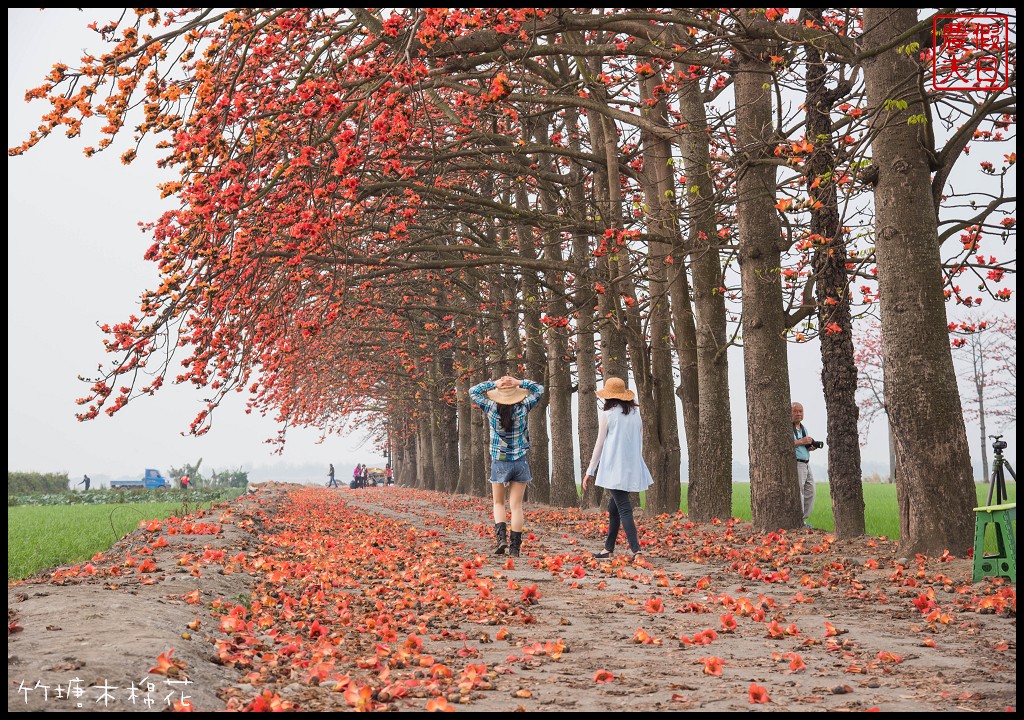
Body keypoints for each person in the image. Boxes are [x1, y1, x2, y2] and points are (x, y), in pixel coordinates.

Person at [470, 374, 544, 557]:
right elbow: (539, 389)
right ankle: (515, 548)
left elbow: (473, 391)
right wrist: (519, 382)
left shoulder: (490, 407)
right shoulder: (524, 406)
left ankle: (501, 539)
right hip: (519, 461)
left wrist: (495, 383)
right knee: (516, 506)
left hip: (499, 461)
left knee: (498, 503)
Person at [582, 377, 653, 562]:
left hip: (614, 467)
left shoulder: (609, 414)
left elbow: (599, 444)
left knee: (623, 508)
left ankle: (636, 550)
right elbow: (640, 438)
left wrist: (590, 470)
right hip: (632, 467)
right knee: (613, 507)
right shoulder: (635, 413)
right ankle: (608, 548)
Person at [792, 402, 819, 527]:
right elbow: (786, 444)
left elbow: (802, 445)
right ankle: (799, 520)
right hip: (797, 464)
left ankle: (803, 518)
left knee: (811, 490)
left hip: (807, 463)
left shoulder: (803, 428)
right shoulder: (788, 428)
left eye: (801, 411)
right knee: (800, 491)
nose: (798, 414)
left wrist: (810, 447)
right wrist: (801, 441)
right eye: (795, 411)